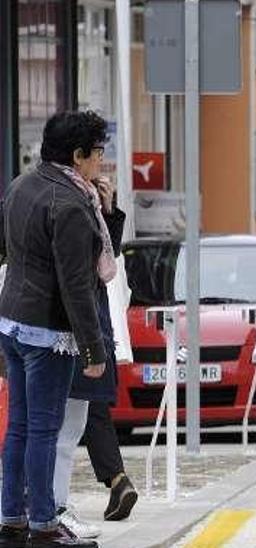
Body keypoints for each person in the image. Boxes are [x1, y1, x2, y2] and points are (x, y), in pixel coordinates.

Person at [0, 111, 112, 548]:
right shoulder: (69, 205)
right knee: (45, 429)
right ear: (78, 155)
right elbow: (76, 287)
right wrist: (93, 349)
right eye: (98, 153)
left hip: (11, 323)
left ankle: (12, 517)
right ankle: (44, 523)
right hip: (48, 334)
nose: (101, 162)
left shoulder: (21, 185)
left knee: (20, 428)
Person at [51, 174, 137, 538]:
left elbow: (105, 257)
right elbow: (81, 275)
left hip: (88, 328)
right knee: (61, 426)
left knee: (80, 417)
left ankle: (52, 507)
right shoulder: (63, 200)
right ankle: (51, 508)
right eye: (97, 153)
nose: (102, 162)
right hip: (67, 328)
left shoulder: (87, 201)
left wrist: (109, 209)